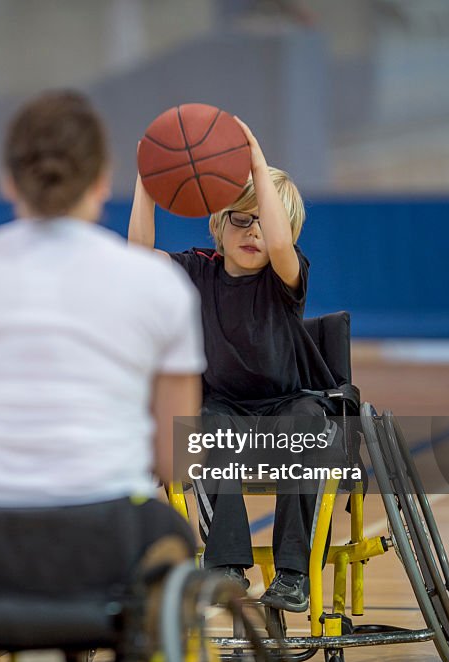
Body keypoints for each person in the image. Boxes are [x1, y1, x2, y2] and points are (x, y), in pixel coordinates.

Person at [0, 91, 204, 662]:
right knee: (175, 539)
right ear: (102, 181)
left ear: (9, 179)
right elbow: (172, 461)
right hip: (106, 541)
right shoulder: (159, 287)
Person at [128, 120, 339, 613]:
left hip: (289, 405)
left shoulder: (285, 275)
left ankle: (293, 574)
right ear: (217, 225)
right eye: (239, 220)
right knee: (200, 425)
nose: (253, 233)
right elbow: (136, 258)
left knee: (310, 424)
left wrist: (257, 162)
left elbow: (280, 242)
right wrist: (148, 181)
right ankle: (225, 565)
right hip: (224, 409)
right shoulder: (197, 270)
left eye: (263, 222)